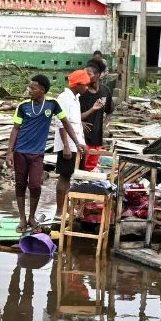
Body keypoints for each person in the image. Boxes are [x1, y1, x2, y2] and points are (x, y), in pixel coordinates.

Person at [6, 75, 81, 233]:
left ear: (42, 90)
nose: (29, 90)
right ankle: (22, 219)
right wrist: (9, 152)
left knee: (35, 184)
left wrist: (76, 142)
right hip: (20, 151)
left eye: (32, 88)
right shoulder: (23, 106)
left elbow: (65, 123)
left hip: (37, 154)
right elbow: (15, 129)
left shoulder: (52, 104)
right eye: (29, 87)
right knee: (20, 184)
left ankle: (31, 217)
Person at [53, 70, 95, 219]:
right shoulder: (64, 98)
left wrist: (81, 143)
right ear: (77, 84)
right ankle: (59, 212)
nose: (87, 88)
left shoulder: (75, 99)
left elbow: (76, 124)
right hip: (68, 145)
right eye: (85, 85)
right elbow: (61, 123)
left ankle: (69, 209)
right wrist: (66, 146)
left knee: (73, 176)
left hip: (76, 144)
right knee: (64, 176)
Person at [78, 57, 114, 170]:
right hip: (82, 137)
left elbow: (110, 111)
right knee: (80, 168)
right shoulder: (81, 92)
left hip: (97, 138)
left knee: (91, 168)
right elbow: (70, 114)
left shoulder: (105, 91)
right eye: (84, 74)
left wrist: (104, 125)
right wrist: (79, 122)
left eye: (88, 74)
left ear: (97, 75)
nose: (85, 77)